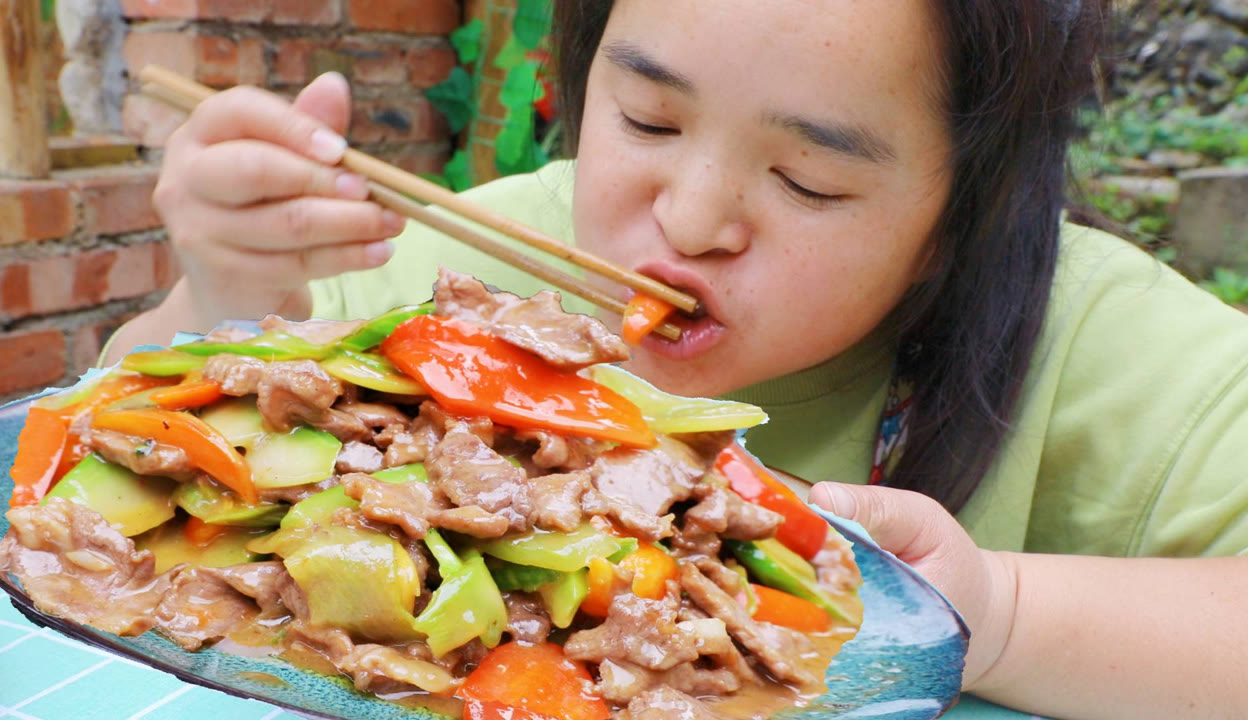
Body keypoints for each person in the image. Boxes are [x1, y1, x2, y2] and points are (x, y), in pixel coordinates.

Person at [107, 1, 1248, 717]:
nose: (693, 217)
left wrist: (990, 614)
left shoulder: (1106, 345)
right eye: (648, 120)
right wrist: (222, 298)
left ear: (971, 207)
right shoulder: (450, 263)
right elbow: (100, 450)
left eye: (809, 180)